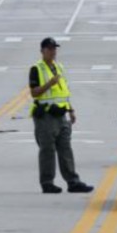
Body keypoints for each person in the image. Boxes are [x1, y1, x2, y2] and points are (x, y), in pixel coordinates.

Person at [29, 37, 93, 194]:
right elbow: (34, 92)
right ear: (42, 51)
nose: (53, 51)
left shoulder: (59, 67)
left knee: (66, 149)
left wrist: (71, 110)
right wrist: (49, 84)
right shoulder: (37, 68)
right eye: (49, 49)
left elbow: (64, 92)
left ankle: (73, 181)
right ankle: (47, 183)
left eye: (54, 49)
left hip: (61, 115)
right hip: (45, 116)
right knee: (47, 150)